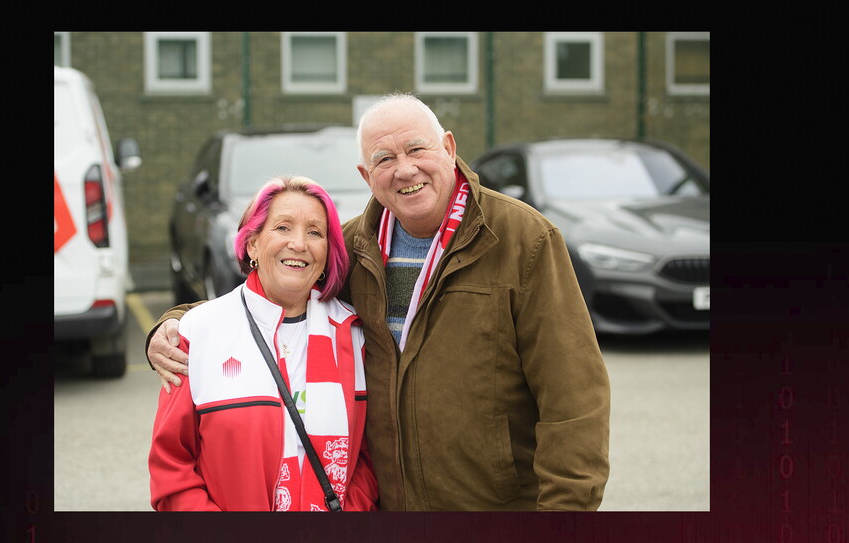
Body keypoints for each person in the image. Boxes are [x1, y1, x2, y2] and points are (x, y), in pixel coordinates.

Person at [147, 94, 610, 511]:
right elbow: (275, 297)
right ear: (367, 177)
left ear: (449, 148)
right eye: (384, 158)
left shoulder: (522, 239)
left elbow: (574, 398)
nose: (404, 169)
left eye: (417, 149)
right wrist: (171, 325)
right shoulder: (350, 249)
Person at [148, 176, 379, 511]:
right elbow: (172, 468)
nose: (299, 244)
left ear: (328, 252)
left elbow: (371, 458)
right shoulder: (198, 332)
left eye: (315, 232)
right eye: (283, 228)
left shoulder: (355, 335)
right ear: (252, 244)